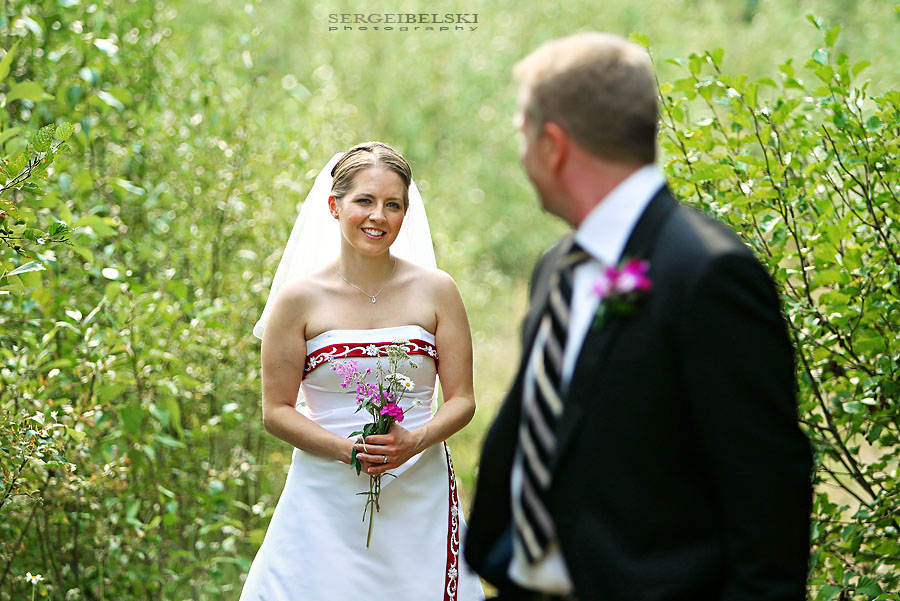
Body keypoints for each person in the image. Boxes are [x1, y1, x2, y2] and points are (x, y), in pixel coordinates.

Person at [464, 33, 813, 601]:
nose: (522, 153)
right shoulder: (557, 268)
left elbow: (768, 507)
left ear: (553, 145)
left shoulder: (708, 273)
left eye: (522, 134)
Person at [240, 142, 484, 600]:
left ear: (406, 213)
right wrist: (345, 450)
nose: (379, 216)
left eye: (393, 205)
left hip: (419, 486)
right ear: (334, 206)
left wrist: (415, 440)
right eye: (365, 201)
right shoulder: (297, 301)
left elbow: (463, 400)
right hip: (324, 495)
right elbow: (275, 411)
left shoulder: (437, 291)